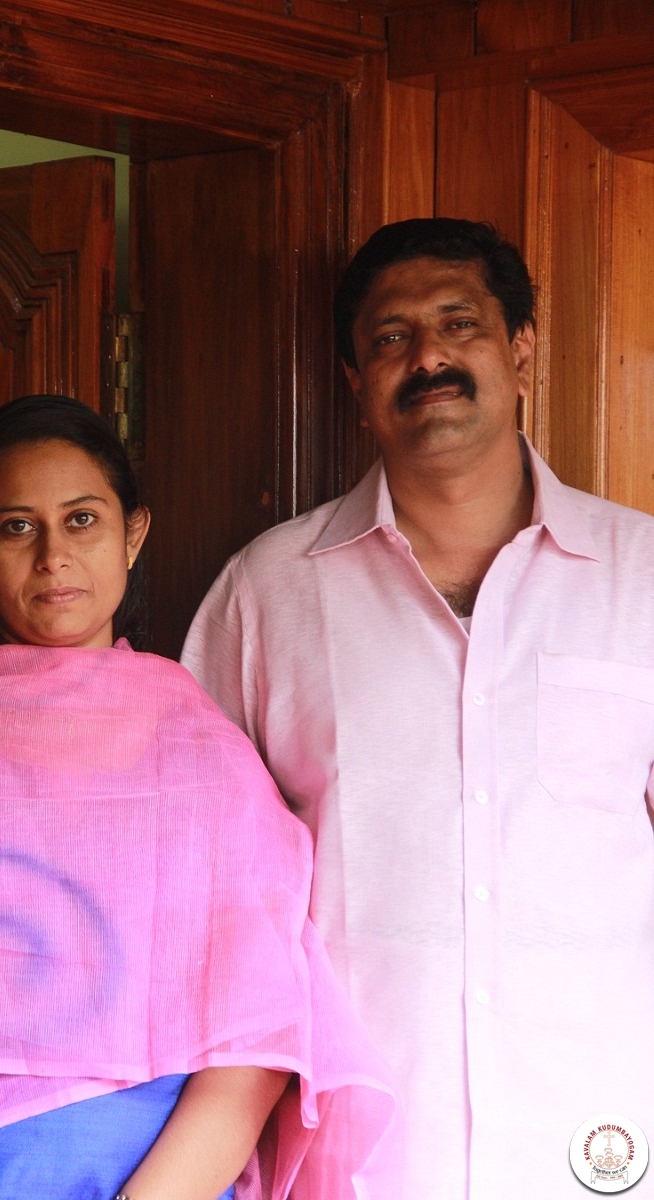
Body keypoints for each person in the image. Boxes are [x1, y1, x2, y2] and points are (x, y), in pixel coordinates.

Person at [182, 218, 654, 1199]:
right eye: (391, 337)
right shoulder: (268, 593)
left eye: (458, 322)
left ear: (521, 350)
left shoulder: (639, 578)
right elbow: (201, 887)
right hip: (361, 1154)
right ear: (355, 382)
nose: (428, 356)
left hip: (603, 1136)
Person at [0, 395, 398, 1200]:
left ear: (133, 534)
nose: (54, 557)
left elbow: (257, 1041)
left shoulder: (206, 762)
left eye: (82, 520)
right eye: (17, 527)